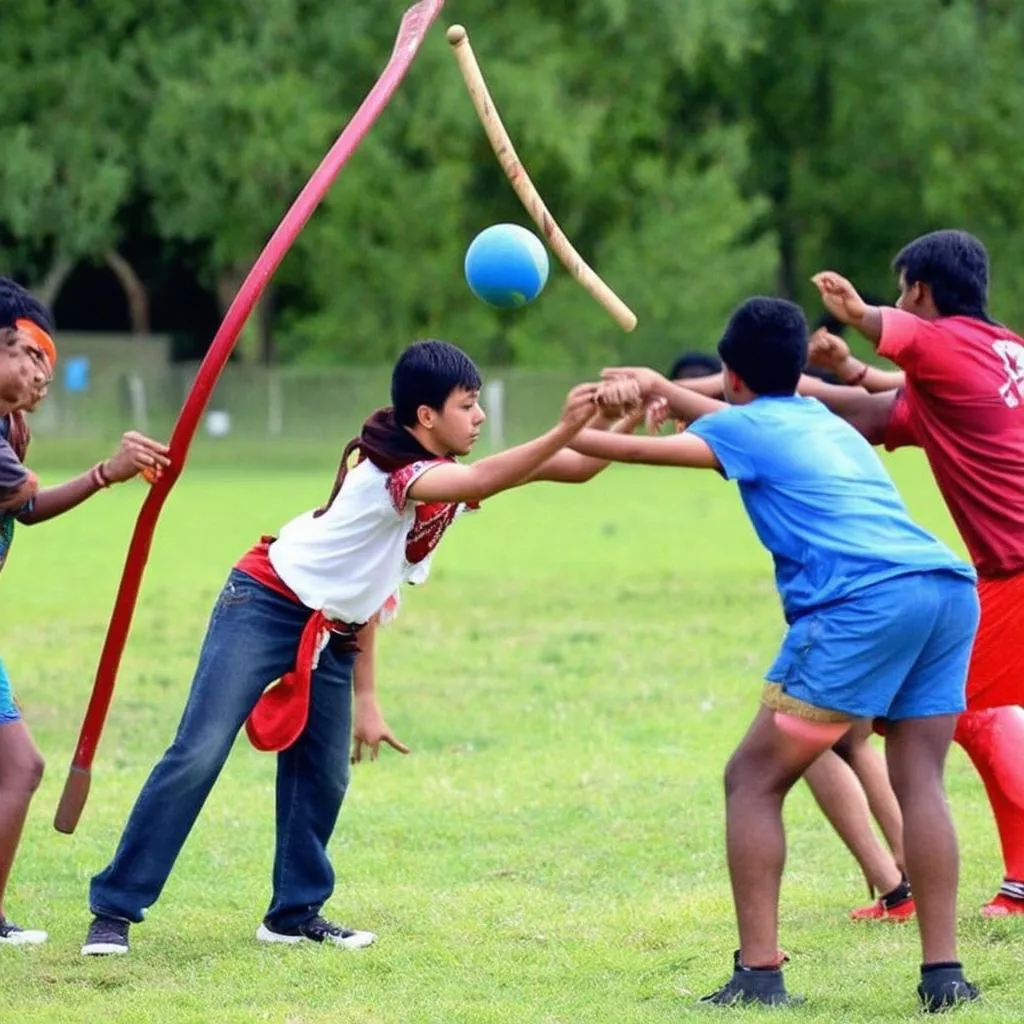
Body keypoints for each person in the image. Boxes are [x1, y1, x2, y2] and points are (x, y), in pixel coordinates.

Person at [81, 339, 642, 957]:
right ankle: (114, 909)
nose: (479, 417)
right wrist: (569, 422)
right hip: (265, 602)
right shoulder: (394, 474)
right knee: (199, 752)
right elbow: (487, 476)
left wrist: (622, 414)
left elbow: (579, 468)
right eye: (468, 405)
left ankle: (293, 915)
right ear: (426, 416)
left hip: (336, 630)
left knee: (322, 775)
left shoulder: (440, 473)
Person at [571, 297, 979, 1011]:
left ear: (728, 373)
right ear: (795, 367)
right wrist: (658, 388)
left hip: (864, 602)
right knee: (922, 784)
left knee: (751, 780)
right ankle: (943, 976)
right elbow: (732, 414)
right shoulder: (820, 417)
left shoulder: (746, 428)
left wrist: (585, 419)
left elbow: (626, 449)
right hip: (943, 589)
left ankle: (759, 975)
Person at [804, 229, 1024, 919]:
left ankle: (938, 893)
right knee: (959, 713)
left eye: (903, 290)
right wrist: (773, 393)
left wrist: (854, 311)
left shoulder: (943, 338)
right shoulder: (1002, 347)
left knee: (932, 713)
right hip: (1001, 574)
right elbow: (877, 414)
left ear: (920, 290)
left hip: (1016, 572)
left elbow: (891, 333)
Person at [0, 281, 170, 948]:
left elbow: (24, 508)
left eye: (47, 359)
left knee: (19, 768)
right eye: (25, 354)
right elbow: (22, 492)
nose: (41, 372)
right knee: (18, 767)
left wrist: (105, 473)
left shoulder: (12, 428)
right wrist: (108, 470)